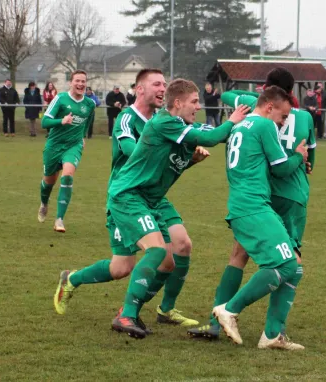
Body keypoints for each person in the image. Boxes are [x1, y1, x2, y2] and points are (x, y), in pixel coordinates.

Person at [53, 69, 213, 331]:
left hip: (154, 196)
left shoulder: (166, 120)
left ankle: (160, 309)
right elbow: (133, 152)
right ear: (140, 89)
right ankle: (72, 279)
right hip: (127, 195)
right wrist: (161, 140)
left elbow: (169, 163)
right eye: (157, 84)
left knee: (180, 247)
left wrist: (189, 159)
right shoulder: (128, 119)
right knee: (122, 267)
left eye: (165, 84)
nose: (163, 88)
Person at [93, 79, 248, 339]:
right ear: (178, 103)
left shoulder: (182, 126)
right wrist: (232, 118)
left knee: (169, 258)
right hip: (128, 195)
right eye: (194, 102)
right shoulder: (165, 121)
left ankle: (135, 311)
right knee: (152, 252)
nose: (198, 107)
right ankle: (125, 314)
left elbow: (212, 136)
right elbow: (212, 137)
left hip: (149, 199)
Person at [188, 68, 316, 349]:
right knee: (288, 263)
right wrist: (299, 155)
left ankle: (268, 335)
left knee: (249, 258)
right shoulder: (267, 124)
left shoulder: (238, 124)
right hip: (260, 203)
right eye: (282, 116)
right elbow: (282, 167)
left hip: (247, 201)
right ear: (271, 105)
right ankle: (230, 311)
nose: (283, 122)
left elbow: (230, 97)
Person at [37, 70, 97, 233]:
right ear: (71, 83)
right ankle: (44, 203)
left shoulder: (90, 104)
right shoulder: (61, 99)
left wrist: (83, 137)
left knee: (68, 175)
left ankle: (59, 219)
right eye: (77, 81)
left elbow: (87, 122)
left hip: (73, 145)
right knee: (49, 181)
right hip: (54, 145)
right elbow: (44, 122)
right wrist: (61, 121)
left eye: (83, 81)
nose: (80, 84)